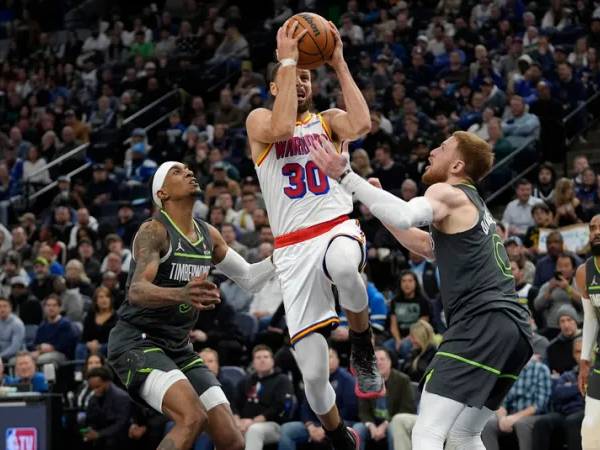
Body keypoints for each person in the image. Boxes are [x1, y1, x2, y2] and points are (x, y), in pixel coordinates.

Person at [311, 131, 532, 449]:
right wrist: (380, 208)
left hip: (482, 319)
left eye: (441, 148)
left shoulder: (448, 192)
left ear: (456, 165)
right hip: (513, 330)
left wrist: (345, 176)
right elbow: (427, 246)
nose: (431, 151)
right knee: (463, 435)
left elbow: (404, 213)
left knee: (427, 432)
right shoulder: (473, 204)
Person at [245, 19, 381, 450]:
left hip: (335, 227)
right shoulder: (260, 121)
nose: (303, 83)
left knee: (345, 266)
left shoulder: (328, 122)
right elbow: (282, 128)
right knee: (315, 377)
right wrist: (286, 62)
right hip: (292, 249)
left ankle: (361, 344)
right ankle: (340, 435)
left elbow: (363, 124)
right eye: (295, 77)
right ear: (276, 85)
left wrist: (338, 62)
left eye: (307, 77)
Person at [107, 161, 276, 450]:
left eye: (187, 168)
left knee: (232, 439)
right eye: (176, 171)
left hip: (178, 347)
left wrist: (285, 255)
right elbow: (136, 291)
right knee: (191, 417)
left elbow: (249, 279)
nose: (187, 172)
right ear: (162, 194)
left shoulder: (208, 234)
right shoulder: (154, 231)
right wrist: (182, 294)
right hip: (137, 342)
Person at [278, 347, 358, 450]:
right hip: (314, 425)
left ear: (338, 360)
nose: (326, 360)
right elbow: (305, 407)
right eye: (323, 357)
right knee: (287, 429)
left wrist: (327, 427)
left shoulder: (347, 380)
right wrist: (310, 426)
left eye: (330, 357)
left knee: (339, 435)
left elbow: (350, 410)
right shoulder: (313, 379)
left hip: (342, 423)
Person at [481, 355, 551, 450]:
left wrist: (515, 417)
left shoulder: (541, 369)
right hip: (511, 415)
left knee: (522, 424)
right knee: (488, 424)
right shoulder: (508, 370)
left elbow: (540, 404)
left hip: (535, 415)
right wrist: (502, 419)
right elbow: (500, 401)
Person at [352, 348, 415, 450]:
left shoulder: (403, 380)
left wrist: (385, 425)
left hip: (392, 422)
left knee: (394, 430)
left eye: (382, 359)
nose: (379, 363)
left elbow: (406, 409)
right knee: (357, 429)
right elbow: (363, 411)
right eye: (375, 360)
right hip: (373, 423)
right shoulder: (365, 381)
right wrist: (371, 426)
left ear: (390, 362)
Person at [234, 345, 295, 450]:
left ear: (272, 361)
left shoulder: (282, 380)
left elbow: (282, 406)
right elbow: (234, 403)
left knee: (254, 430)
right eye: (258, 358)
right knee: (224, 430)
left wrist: (253, 421)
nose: (262, 360)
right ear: (253, 362)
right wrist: (237, 421)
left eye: (266, 357)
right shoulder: (245, 381)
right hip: (244, 423)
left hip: (273, 425)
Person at [575, 214, 600, 450]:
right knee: (591, 429)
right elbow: (591, 317)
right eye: (593, 228)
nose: (596, 231)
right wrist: (584, 361)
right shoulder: (585, 272)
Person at [83, 366, 131, 450]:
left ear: (107, 382)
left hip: (118, 440)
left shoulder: (121, 397)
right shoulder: (93, 398)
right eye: (93, 388)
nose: (95, 391)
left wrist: (99, 434)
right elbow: (90, 420)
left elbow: (121, 424)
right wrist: (89, 430)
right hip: (101, 438)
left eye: (98, 387)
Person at [0, 295, 25, 361]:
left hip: (15, 355)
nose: (2, 309)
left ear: (10, 308)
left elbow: (15, 348)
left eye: (5, 306)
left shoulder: (17, 324)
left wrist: (0, 356)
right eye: (0, 306)